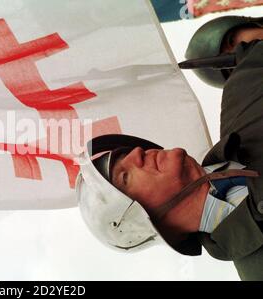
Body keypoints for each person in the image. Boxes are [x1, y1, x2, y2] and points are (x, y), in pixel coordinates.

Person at [76, 16, 263, 280]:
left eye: (126, 155)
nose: (137, 153)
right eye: (125, 176)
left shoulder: (241, 94)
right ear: (145, 220)